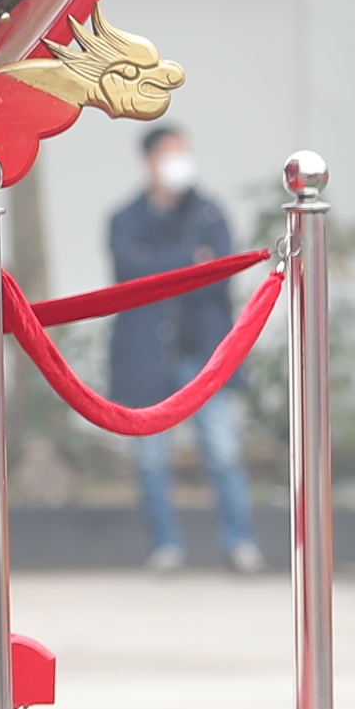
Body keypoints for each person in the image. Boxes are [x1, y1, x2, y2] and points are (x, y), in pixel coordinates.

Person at [107, 124, 262, 573]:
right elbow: (130, 272)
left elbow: (221, 270)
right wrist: (189, 261)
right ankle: (166, 546)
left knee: (224, 452)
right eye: (170, 153)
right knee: (151, 459)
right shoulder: (127, 217)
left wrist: (165, 264)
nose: (179, 162)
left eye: (184, 152)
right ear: (149, 160)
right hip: (146, 358)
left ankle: (240, 543)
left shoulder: (210, 212)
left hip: (204, 355)